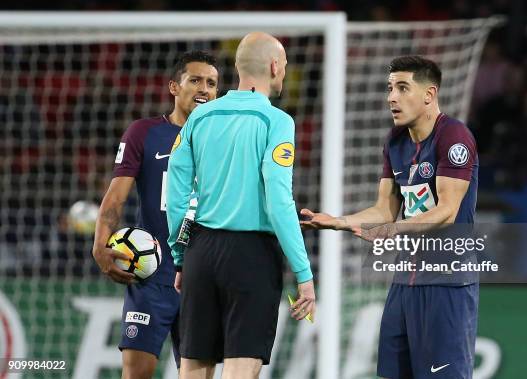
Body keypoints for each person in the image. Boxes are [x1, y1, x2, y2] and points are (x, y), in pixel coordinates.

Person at [301, 56, 479, 379]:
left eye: (402, 88)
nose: (391, 98)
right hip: (405, 280)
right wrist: (339, 221)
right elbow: (384, 209)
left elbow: (447, 211)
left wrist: (394, 229)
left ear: (429, 94)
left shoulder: (454, 136)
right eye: (389, 88)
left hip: (445, 281)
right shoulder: (395, 141)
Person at [166, 32, 316, 379]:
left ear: (236, 67)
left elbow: (176, 196)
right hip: (251, 256)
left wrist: (180, 256)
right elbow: (279, 201)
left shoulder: (199, 118)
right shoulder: (276, 122)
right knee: (239, 371)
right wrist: (304, 275)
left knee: (192, 369)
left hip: (200, 253)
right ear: (275, 67)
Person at [92, 50, 219, 379]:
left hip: (203, 280)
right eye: (195, 80)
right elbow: (116, 196)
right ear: (174, 87)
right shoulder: (144, 133)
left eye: (211, 83)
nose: (204, 89)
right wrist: (100, 246)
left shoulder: (225, 142)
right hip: (151, 276)